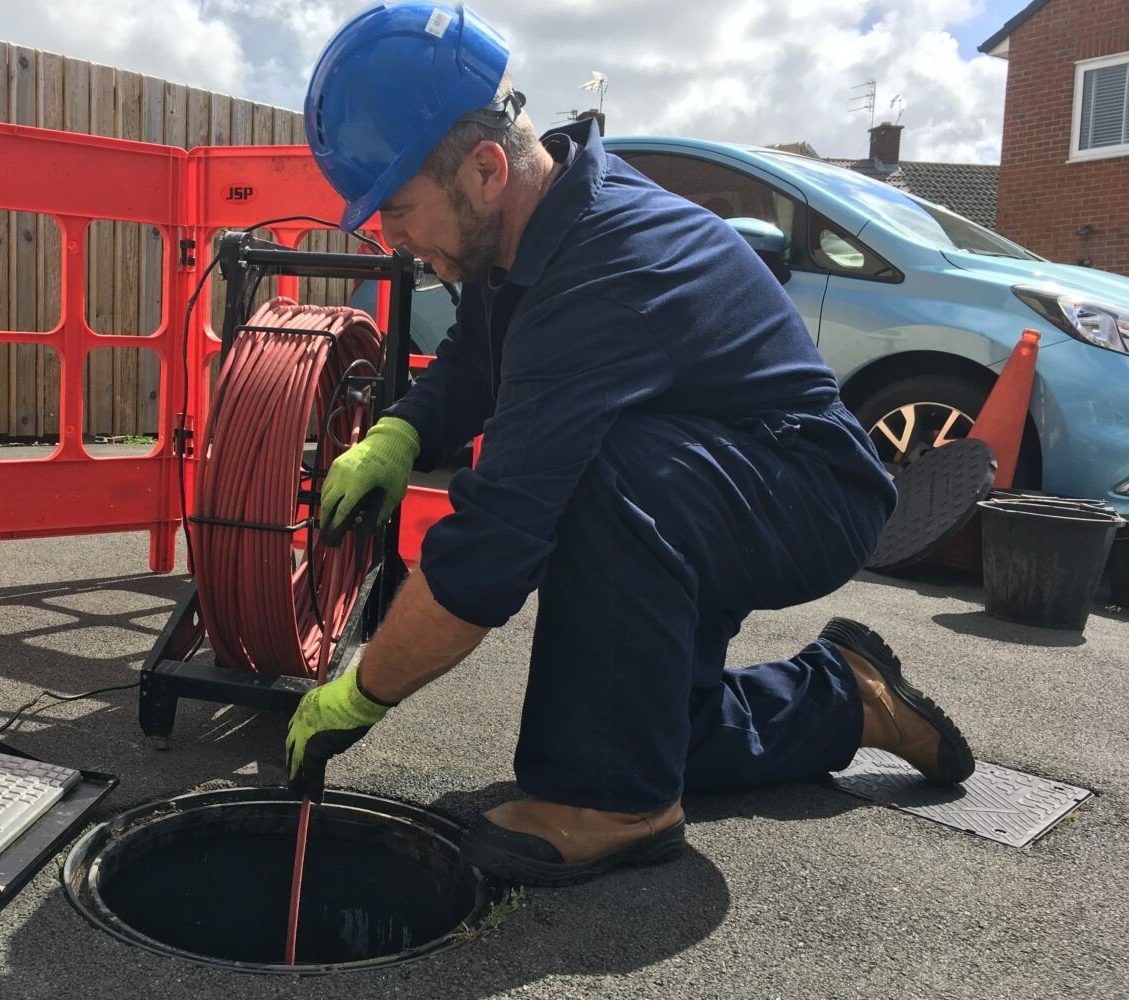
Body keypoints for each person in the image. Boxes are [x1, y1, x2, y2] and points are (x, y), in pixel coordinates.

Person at [285, 0, 974, 887]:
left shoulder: (605, 265)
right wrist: (399, 432)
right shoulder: (529, 232)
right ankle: (847, 696)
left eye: (401, 209)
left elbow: (497, 540)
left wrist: (361, 692)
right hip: (717, 475)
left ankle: (616, 805)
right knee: (657, 728)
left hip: (807, 492)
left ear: (487, 169)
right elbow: (479, 357)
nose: (394, 240)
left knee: (593, 475)